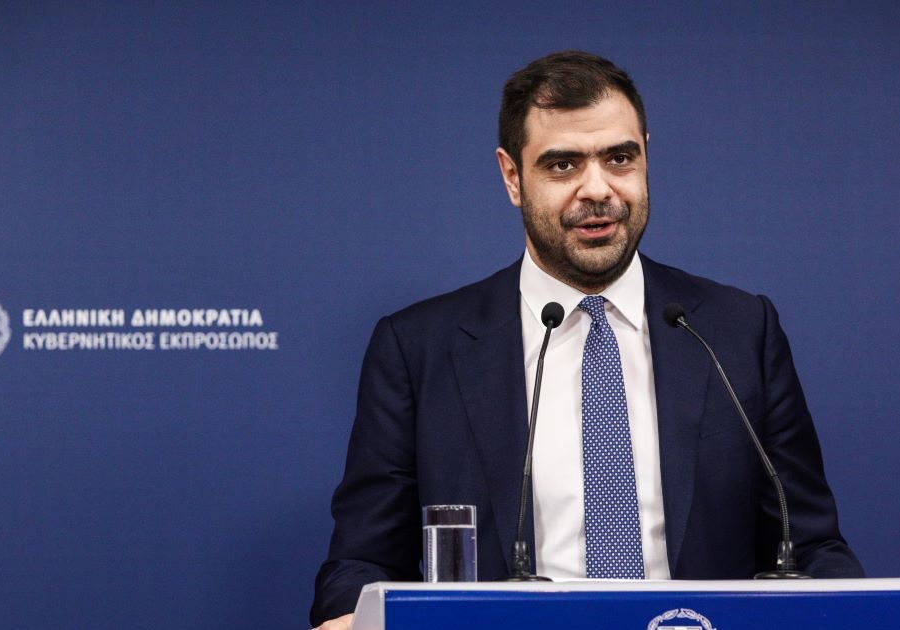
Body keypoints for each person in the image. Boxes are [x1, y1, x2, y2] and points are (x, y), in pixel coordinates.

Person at [310, 50, 863, 630]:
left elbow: (810, 548)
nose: (597, 189)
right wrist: (349, 615)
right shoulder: (419, 348)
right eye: (562, 165)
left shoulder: (738, 331)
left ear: (646, 155)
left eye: (620, 158)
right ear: (512, 177)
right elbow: (362, 562)